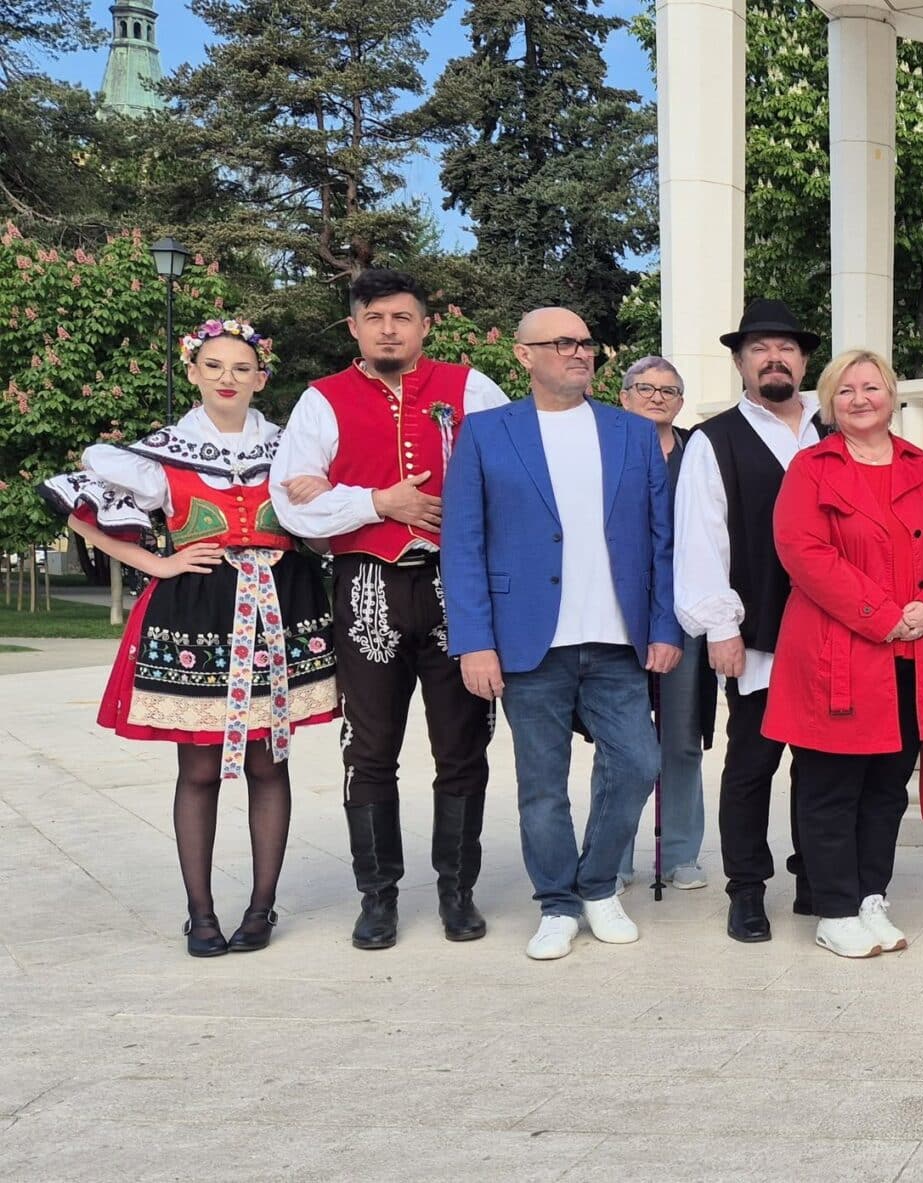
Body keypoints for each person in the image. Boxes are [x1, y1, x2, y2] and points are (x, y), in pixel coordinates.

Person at [40, 319, 335, 956]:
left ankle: (260, 909)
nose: (228, 378)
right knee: (198, 766)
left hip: (281, 610)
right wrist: (158, 563)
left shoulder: (291, 446)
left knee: (268, 761)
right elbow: (80, 508)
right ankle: (200, 914)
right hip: (196, 614)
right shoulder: (161, 454)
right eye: (215, 366)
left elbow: (325, 516)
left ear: (261, 379)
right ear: (194, 372)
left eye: (242, 368)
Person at [272, 268, 505, 950]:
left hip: (455, 584)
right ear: (354, 328)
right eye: (374, 318)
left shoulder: (471, 388)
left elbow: (510, 477)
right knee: (369, 749)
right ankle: (378, 896)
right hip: (365, 584)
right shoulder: (322, 400)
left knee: (462, 745)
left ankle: (457, 891)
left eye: (402, 317)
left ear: (425, 325)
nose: (389, 329)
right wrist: (379, 502)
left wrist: (338, 494)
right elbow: (292, 504)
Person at [443, 308, 681, 961]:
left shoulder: (632, 432)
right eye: (562, 342)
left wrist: (664, 624)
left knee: (638, 762)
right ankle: (557, 902)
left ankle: (597, 884)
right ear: (524, 355)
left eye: (585, 342)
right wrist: (474, 640)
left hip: (616, 638)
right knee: (542, 785)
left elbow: (662, 539)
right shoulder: (486, 433)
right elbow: (462, 544)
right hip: (527, 640)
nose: (579, 352)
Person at [765, 349, 923, 959]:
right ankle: (833, 908)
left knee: (885, 788)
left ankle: (870, 895)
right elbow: (804, 552)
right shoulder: (811, 468)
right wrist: (882, 616)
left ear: (892, 395)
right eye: (845, 389)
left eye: (871, 387)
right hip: (838, 655)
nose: (860, 398)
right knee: (831, 789)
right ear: (830, 403)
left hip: (912, 660)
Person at [675, 299, 827, 943]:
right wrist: (721, 627)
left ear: (804, 360)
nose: (774, 359)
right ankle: (746, 889)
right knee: (752, 763)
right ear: (740, 362)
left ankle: (817, 875)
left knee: (823, 764)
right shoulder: (715, 440)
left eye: (786, 348)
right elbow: (701, 539)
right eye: (760, 349)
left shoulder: (833, 427)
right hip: (758, 629)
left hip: (832, 630)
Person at [613, 358, 713, 893]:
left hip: (686, 611)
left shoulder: (698, 450)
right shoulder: (606, 448)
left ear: (681, 400)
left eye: (669, 390)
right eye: (645, 388)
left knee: (681, 736)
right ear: (624, 396)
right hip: (620, 611)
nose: (657, 397)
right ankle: (612, 854)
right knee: (622, 740)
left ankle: (680, 852)